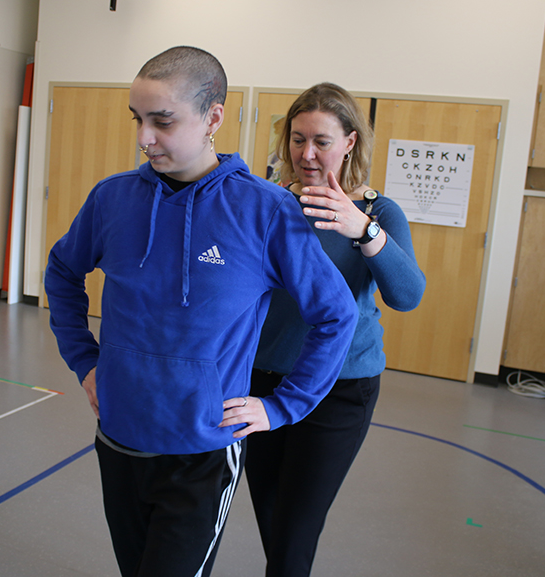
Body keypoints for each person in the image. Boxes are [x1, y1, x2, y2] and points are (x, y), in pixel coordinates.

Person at [44, 49, 358, 577]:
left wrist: (282, 408)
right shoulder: (112, 199)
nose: (144, 138)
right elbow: (62, 271)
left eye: (162, 121)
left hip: (202, 453)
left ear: (213, 117)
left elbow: (335, 315)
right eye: (137, 119)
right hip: (118, 439)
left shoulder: (266, 211)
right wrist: (85, 361)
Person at [246, 82, 426, 577]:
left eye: (321, 141)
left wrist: (361, 230)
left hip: (341, 388)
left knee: (294, 533)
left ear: (349, 142)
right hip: (264, 383)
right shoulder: (270, 203)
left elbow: (407, 296)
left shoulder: (378, 213)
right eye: (297, 139)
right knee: (273, 519)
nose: (306, 153)